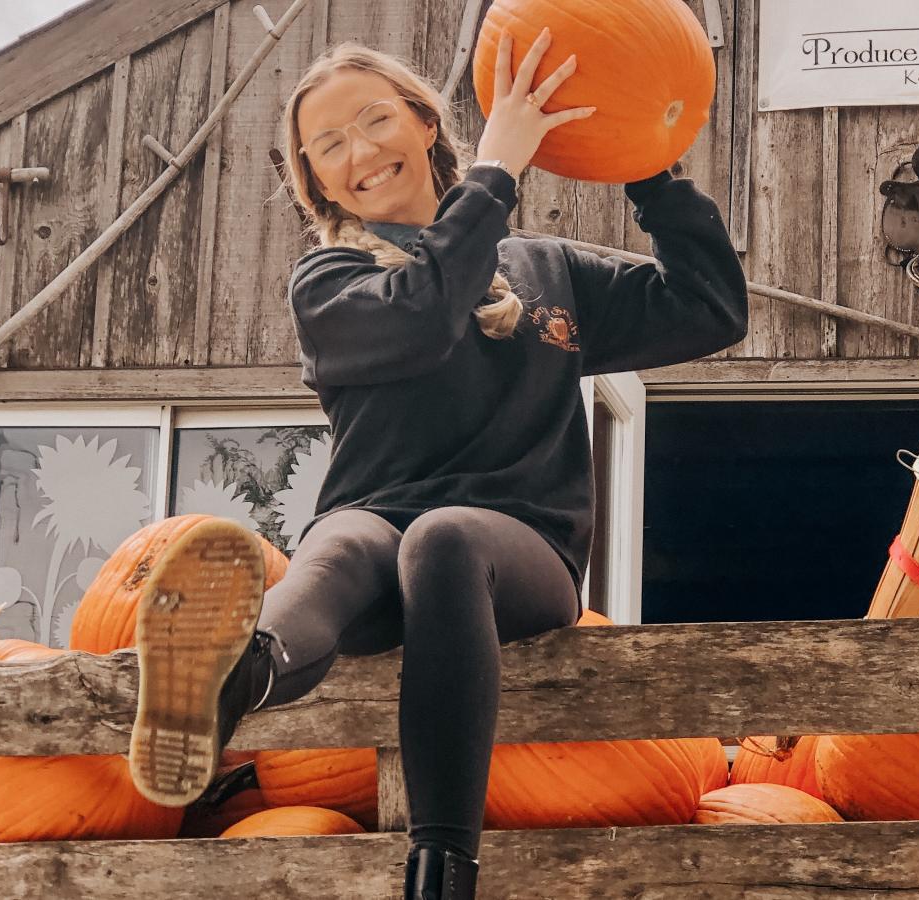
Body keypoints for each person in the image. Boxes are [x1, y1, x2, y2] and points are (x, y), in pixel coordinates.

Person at [126, 27, 748, 900]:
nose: (359, 153)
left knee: (445, 539)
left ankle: (443, 865)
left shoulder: (547, 271)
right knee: (340, 542)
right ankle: (233, 677)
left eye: (375, 121)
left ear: (425, 125)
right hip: (376, 547)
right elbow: (425, 314)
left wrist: (642, 156)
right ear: (316, 181)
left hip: (516, 556)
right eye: (329, 146)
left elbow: (711, 308)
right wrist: (495, 174)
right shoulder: (330, 284)